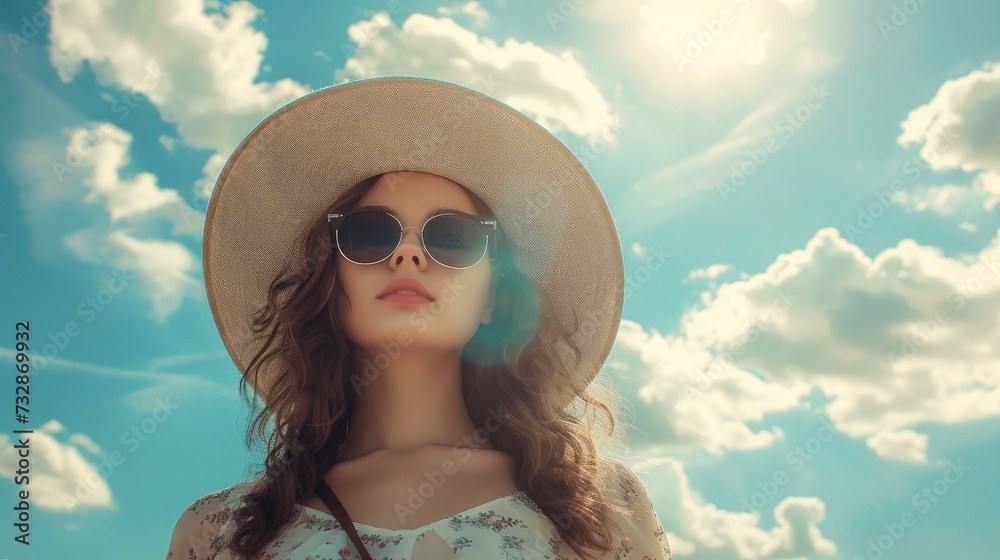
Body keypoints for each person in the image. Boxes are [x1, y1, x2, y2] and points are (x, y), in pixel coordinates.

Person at [165, 76, 671, 560]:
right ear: (328, 285)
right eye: (369, 234)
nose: (407, 255)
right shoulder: (219, 532)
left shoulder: (599, 508)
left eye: (452, 237)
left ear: (493, 297)